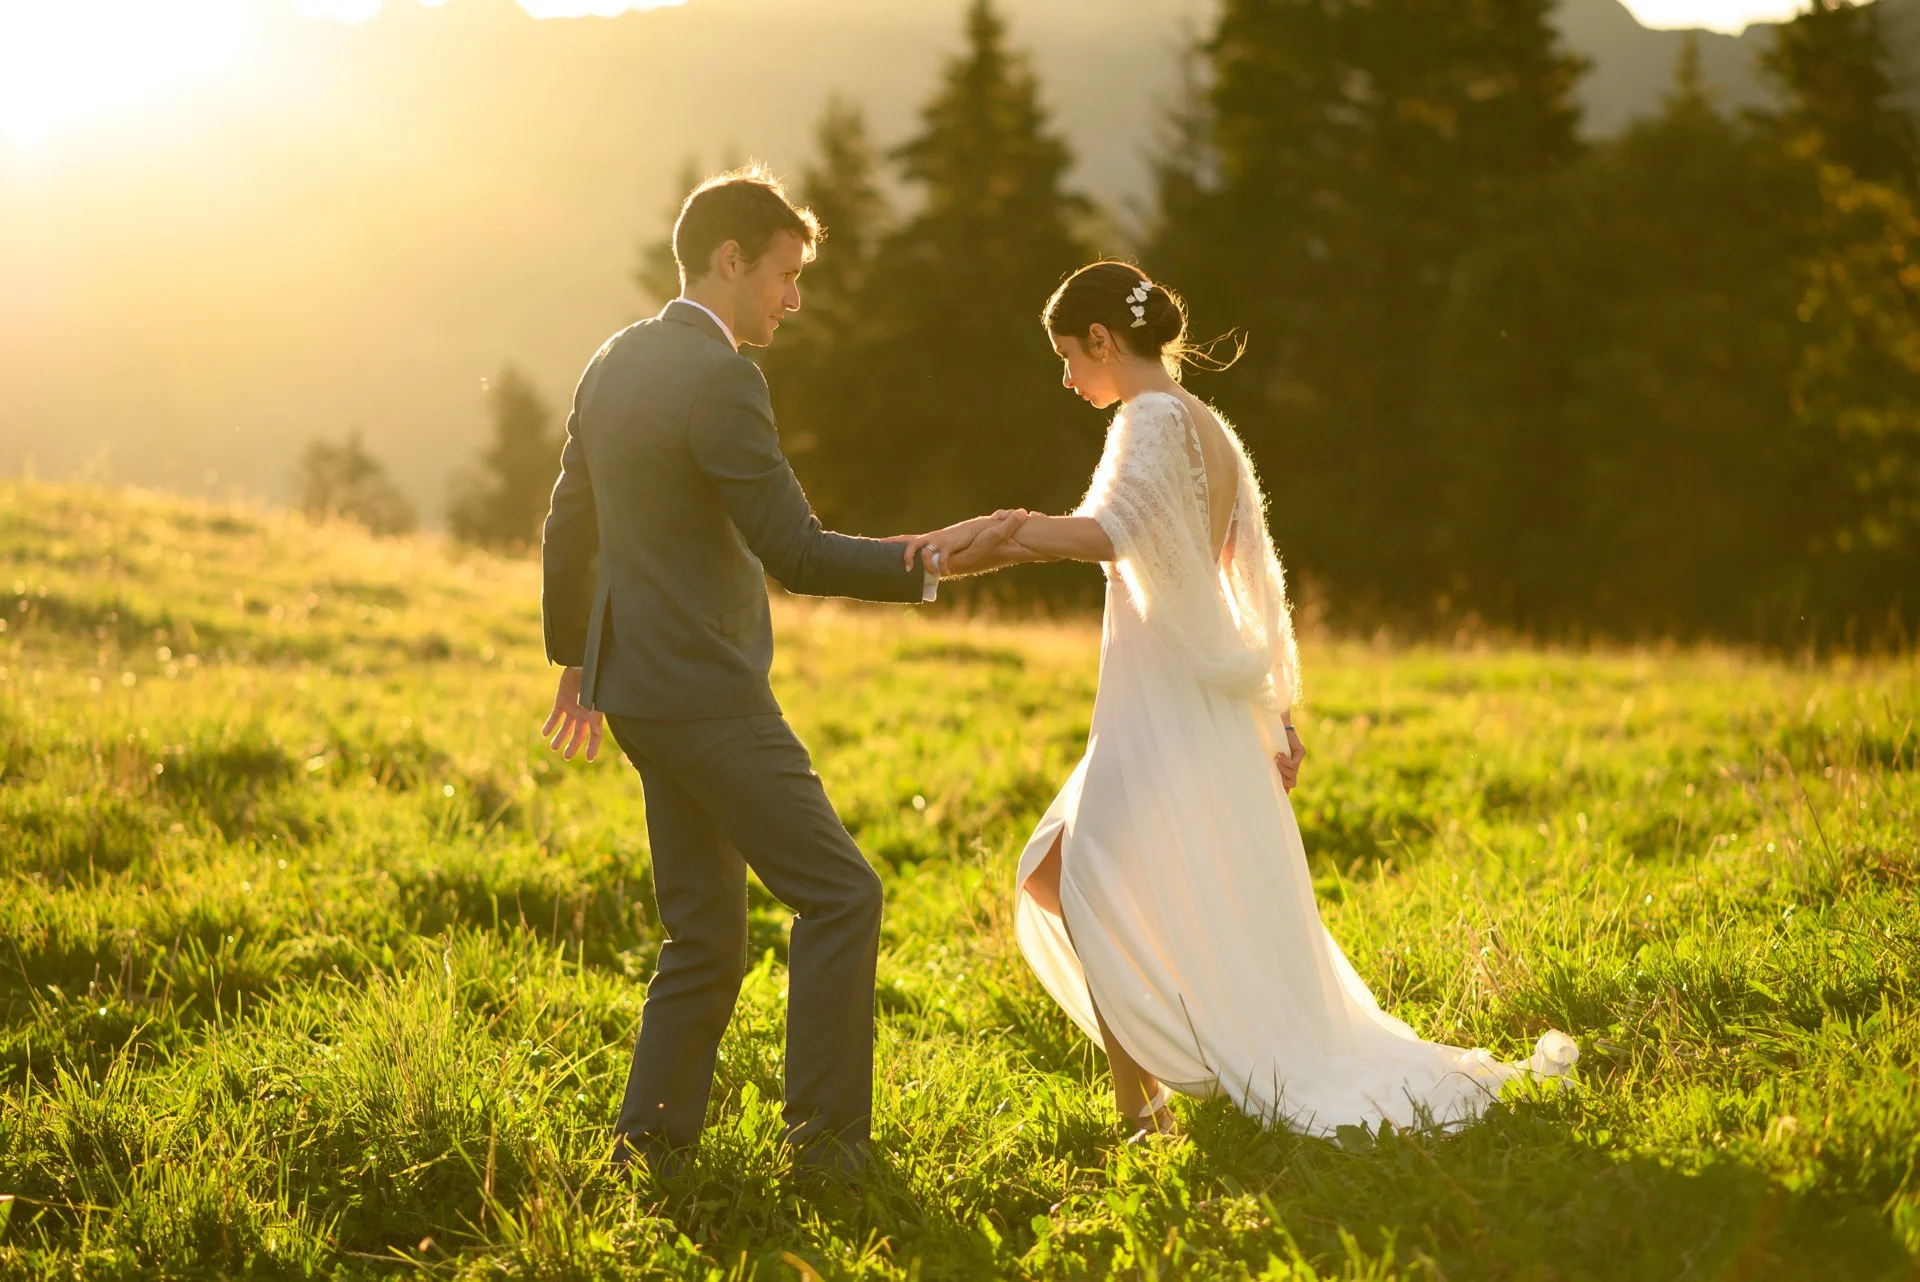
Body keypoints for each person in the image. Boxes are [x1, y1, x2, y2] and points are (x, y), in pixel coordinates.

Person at [903, 262, 1577, 1140]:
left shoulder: (1150, 416)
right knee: (1068, 871)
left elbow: (1111, 533)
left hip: (1169, 705)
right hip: (1183, 698)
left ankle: (1148, 1113)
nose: (1066, 377)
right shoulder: (1205, 426)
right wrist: (1270, 706)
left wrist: (1004, 529)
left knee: (1076, 877)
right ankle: (1162, 1088)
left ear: (1105, 341)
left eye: (1069, 355)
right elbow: (1234, 581)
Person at [537, 166, 1026, 1178]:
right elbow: (796, 552)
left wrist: (576, 662)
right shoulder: (723, 378)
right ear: (730, 261)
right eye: (785, 275)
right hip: (709, 695)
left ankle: (651, 1145)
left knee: (703, 932)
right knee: (842, 893)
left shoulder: (612, 359)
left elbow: (568, 524)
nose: (794, 299)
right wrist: (930, 556)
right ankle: (829, 1149)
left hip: (636, 692)